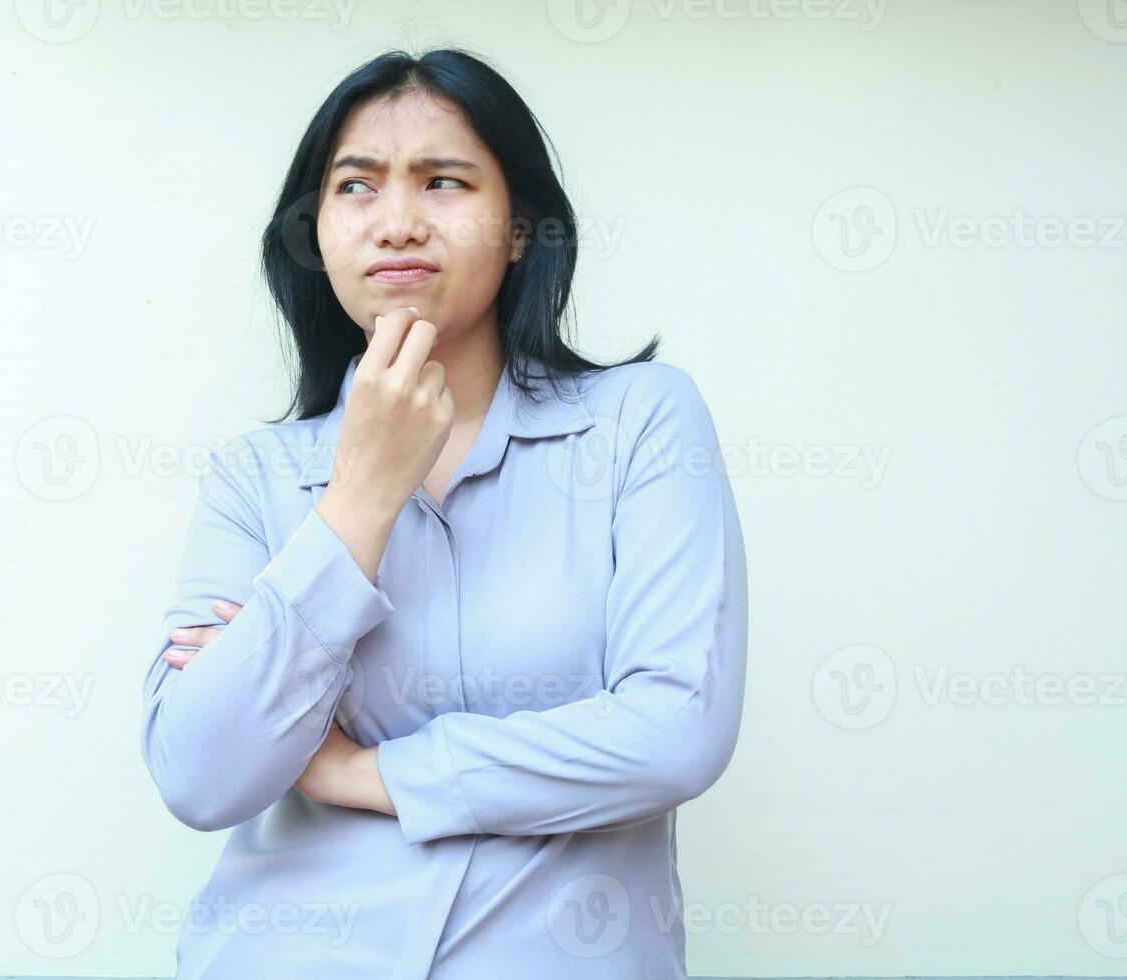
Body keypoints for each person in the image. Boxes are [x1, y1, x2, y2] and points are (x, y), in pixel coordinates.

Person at [141, 46, 748, 979]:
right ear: (316, 234)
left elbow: (673, 732)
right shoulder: (252, 478)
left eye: (444, 182)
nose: (397, 222)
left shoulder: (641, 424)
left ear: (517, 230)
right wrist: (357, 504)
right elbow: (202, 774)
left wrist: (361, 772)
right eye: (356, 186)